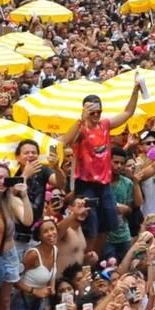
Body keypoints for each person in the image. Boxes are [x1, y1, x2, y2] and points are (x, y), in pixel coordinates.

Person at [59, 87, 140, 256]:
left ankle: (94, 257)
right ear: (84, 111)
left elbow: (128, 112)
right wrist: (80, 120)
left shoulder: (105, 125)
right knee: (91, 226)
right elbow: (65, 141)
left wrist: (135, 90)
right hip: (86, 184)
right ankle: (84, 260)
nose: (96, 114)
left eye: (98, 111)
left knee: (109, 224)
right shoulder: (81, 129)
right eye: (92, 111)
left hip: (104, 184)